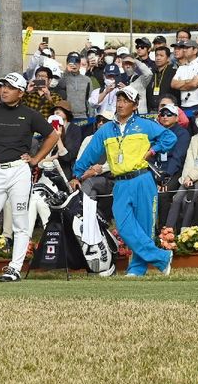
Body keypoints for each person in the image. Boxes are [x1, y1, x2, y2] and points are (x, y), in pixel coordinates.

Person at [0, 73, 59, 283]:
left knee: (20, 221)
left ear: (21, 92)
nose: (4, 90)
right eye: (3, 86)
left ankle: (14, 268)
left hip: (19, 170)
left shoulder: (30, 114)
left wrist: (35, 160)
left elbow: (53, 135)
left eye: (10, 87)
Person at [72, 86, 176, 277]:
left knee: (144, 228)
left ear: (135, 105)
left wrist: (153, 150)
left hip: (142, 179)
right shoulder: (106, 130)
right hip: (120, 183)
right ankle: (161, 257)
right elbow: (90, 154)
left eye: (126, 101)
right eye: (118, 100)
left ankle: (137, 269)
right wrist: (76, 174)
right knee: (124, 226)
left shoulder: (145, 124)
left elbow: (169, 137)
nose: (120, 104)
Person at [152, 103, 190, 230]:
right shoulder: (156, 132)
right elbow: (151, 154)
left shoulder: (182, 134)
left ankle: (163, 231)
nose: (165, 117)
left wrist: (165, 176)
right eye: (162, 114)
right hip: (155, 169)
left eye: (169, 114)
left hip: (173, 171)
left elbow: (177, 158)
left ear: (176, 117)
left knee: (163, 194)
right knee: (145, 191)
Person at [56, 52, 92, 120]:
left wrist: (91, 118)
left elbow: (90, 99)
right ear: (67, 64)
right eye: (71, 62)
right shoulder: (63, 78)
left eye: (77, 62)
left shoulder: (87, 80)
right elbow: (59, 87)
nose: (74, 64)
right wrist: (67, 72)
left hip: (83, 116)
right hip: (67, 116)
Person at [146, 45, 178, 112]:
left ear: (168, 58)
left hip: (168, 110)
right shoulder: (151, 73)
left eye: (161, 56)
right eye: (156, 55)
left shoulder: (173, 72)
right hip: (151, 110)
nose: (158, 58)